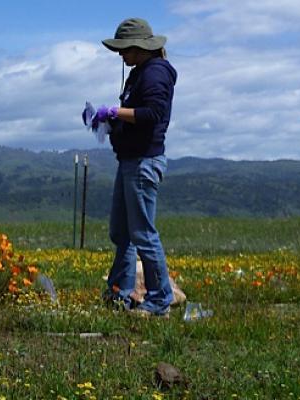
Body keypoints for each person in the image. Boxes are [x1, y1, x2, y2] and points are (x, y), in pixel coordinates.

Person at [92, 18, 176, 317]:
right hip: (129, 160)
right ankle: (119, 293)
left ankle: (159, 300)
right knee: (122, 232)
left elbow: (152, 113)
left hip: (143, 162)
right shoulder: (140, 73)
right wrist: (107, 120)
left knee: (142, 234)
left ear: (140, 47)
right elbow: (135, 115)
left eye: (124, 49)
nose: (120, 55)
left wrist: (115, 111)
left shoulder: (155, 74)